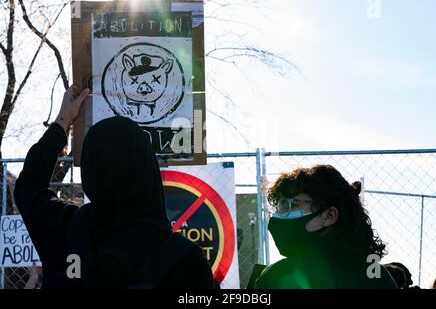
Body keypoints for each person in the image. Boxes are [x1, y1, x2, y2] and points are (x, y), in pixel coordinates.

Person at [14, 85, 214, 289]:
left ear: (90, 170)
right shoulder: (186, 261)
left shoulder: (61, 230)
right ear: (148, 168)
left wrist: (63, 121)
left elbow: (28, 185)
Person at [255, 164, 396, 289]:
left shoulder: (279, 276)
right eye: (279, 207)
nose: (278, 215)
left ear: (329, 216)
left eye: (289, 204)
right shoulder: (375, 274)